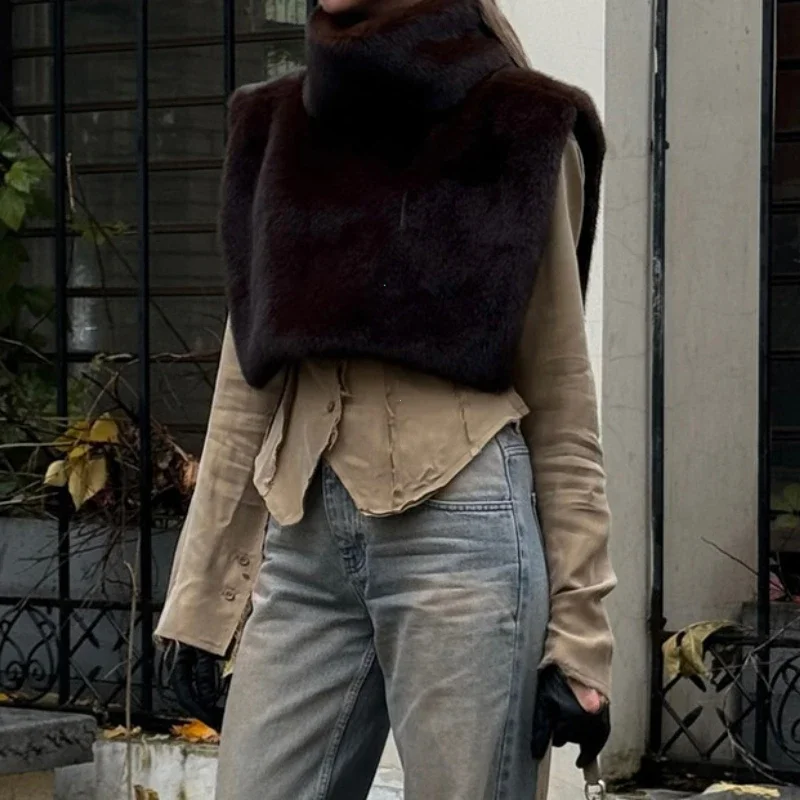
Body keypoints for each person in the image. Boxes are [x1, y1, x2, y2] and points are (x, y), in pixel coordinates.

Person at [156, 0, 616, 796]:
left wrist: (580, 636)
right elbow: (244, 392)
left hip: (463, 539)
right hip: (302, 547)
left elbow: (562, 399)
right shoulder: (274, 127)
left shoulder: (522, 124)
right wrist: (200, 600)